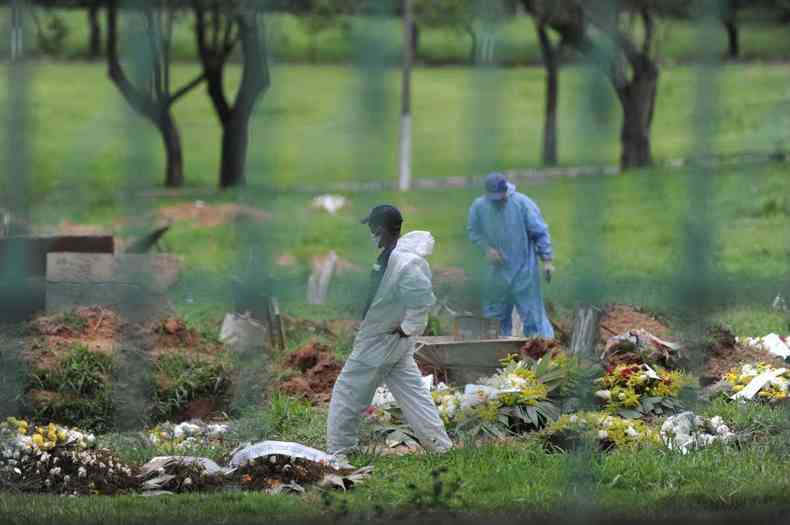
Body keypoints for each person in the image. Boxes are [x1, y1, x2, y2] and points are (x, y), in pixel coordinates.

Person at [326, 204, 452, 457]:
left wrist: (409, 328)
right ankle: (441, 447)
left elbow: (421, 299)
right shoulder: (391, 256)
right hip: (391, 342)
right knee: (414, 395)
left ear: (381, 228)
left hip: (380, 343)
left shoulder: (404, 263)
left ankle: (339, 452)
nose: (371, 232)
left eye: (373, 227)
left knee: (347, 392)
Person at [466, 172, 555, 338]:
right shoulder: (479, 207)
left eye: (501, 198)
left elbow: (540, 232)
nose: (498, 202)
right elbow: (474, 232)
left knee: (533, 317)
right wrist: (487, 249)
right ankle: (497, 355)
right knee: (494, 319)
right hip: (495, 273)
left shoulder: (522, 204)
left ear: (506, 191)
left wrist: (547, 260)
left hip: (523, 271)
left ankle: (544, 353)